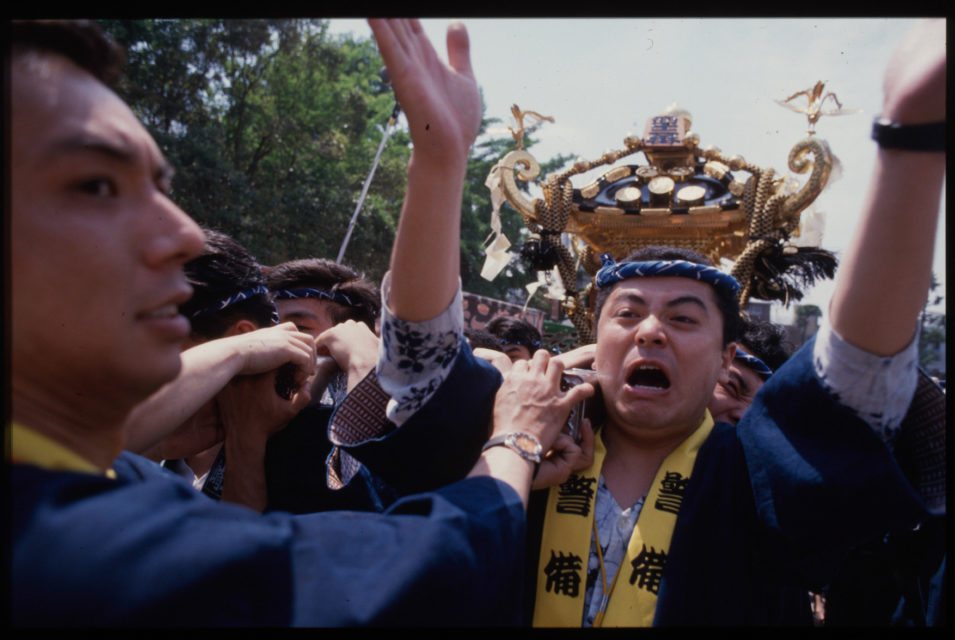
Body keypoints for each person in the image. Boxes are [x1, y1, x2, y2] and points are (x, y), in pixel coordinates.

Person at [332, 18, 945, 627]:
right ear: (593, 340)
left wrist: (911, 141)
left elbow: (857, 379)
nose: (651, 330)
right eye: (626, 313)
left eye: (684, 318)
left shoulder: (752, 474)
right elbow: (420, 362)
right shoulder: (521, 442)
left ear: (726, 356)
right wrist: (438, 162)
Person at [9, 18, 590, 626]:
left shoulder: (94, 468)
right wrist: (516, 439)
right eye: (96, 185)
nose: (181, 233)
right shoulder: (72, 542)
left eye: (160, 187)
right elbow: (409, 570)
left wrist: (440, 165)